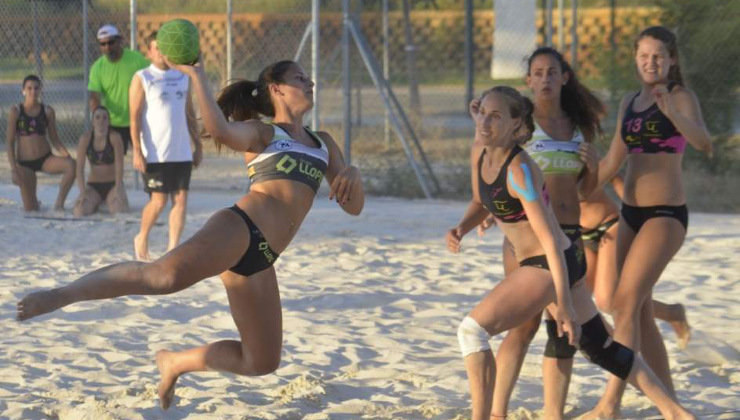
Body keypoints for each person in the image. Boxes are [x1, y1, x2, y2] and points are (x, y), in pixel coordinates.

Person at [16, 58, 364, 410]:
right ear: (276, 89)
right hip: (240, 228)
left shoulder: (324, 143)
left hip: (263, 258)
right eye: (299, 78)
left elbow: (354, 206)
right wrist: (197, 76)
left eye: (308, 78)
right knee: (163, 276)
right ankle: (62, 294)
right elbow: (221, 130)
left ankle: (175, 363)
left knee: (260, 361)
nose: (310, 83)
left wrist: (352, 172)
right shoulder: (264, 133)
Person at [448, 85, 694, 420]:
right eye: (482, 114)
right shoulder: (481, 152)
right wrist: (461, 227)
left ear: (516, 124)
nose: (485, 122)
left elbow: (549, 238)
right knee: (602, 348)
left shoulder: (520, 170)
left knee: (472, 331)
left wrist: (563, 303)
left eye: (496, 116)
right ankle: (675, 412)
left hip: (548, 263)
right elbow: (481, 201)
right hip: (551, 261)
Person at [581, 26, 712, 420]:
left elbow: (705, 143)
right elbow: (613, 162)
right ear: (635, 58)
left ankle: (610, 404)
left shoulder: (680, 96)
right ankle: (670, 400)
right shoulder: (629, 102)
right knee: (636, 312)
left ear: (671, 60)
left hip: (665, 216)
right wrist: (585, 179)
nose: (650, 62)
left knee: (623, 303)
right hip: (631, 214)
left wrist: (673, 113)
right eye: (643, 56)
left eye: (658, 56)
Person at [475, 47, 603, 419]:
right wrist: (488, 213)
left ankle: (553, 413)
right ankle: (497, 412)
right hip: (527, 239)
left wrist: (593, 170)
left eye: (552, 72)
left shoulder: (579, 124)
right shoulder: (520, 125)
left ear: (565, 77)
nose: (545, 79)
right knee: (523, 325)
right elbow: (498, 170)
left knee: (562, 330)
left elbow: (585, 192)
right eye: (538, 72)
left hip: (569, 235)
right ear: (528, 80)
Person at [579, 175, 691, 349]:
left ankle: (670, 314)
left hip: (609, 225)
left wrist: (643, 220)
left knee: (607, 301)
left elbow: (616, 180)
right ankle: (670, 314)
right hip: (580, 234)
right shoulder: (538, 159)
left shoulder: (582, 153)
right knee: (579, 297)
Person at [130, 31, 202, 261]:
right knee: (158, 200)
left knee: (180, 200)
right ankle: (142, 236)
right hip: (155, 152)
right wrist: (137, 151)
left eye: (164, 48)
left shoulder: (183, 76)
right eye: (156, 48)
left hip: (180, 149)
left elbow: (189, 112)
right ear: (149, 52)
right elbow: (134, 117)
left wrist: (197, 144)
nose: (161, 53)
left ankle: (172, 250)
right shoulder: (143, 77)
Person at [5, 75, 75, 211]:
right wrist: (14, 169)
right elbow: (9, 142)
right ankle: (34, 201)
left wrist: (67, 155)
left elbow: (54, 139)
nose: (33, 91)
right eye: (29, 88)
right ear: (23, 91)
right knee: (31, 209)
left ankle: (59, 204)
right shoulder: (16, 112)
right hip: (25, 164)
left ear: (40, 90)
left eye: (36, 88)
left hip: (45, 159)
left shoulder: (47, 111)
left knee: (72, 165)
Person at [88, 24, 149, 154]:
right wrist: (98, 122)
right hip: (113, 124)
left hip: (139, 119)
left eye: (111, 42)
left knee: (147, 160)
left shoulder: (137, 60)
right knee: (113, 165)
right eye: (103, 44)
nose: (107, 47)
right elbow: (94, 97)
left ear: (119, 40)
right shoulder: (97, 68)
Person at [73, 106, 129, 216]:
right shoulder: (85, 139)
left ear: (109, 122)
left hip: (113, 184)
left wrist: (118, 187)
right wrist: (82, 191)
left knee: (118, 210)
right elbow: (79, 168)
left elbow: (119, 165)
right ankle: (97, 202)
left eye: (105, 118)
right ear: (93, 121)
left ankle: (110, 199)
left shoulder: (115, 137)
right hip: (94, 185)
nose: (101, 121)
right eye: (97, 117)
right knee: (79, 211)